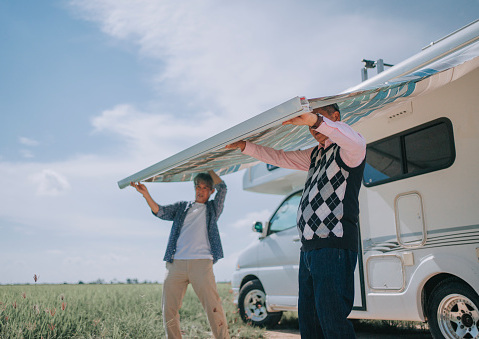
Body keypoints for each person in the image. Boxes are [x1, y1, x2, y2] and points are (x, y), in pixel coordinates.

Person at [226, 103, 366, 339]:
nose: (313, 127)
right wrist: (245, 146)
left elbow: (355, 140)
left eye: (319, 118)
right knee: (310, 324)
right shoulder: (316, 154)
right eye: (312, 122)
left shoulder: (350, 149)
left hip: (334, 246)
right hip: (309, 250)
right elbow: (280, 157)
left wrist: (314, 120)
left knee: (332, 322)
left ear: (336, 117)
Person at [130, 170, 229, 339]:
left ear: (211, 191)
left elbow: (223, 188)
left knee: (214, 307)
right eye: (198, 186)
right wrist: (146, 194)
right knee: (169, 308)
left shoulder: (213, 208)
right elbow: (160, 211)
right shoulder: (182, 206)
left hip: (202, 264)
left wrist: (210, 167)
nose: (201, 190)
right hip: (176, 264)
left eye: (205, 187)